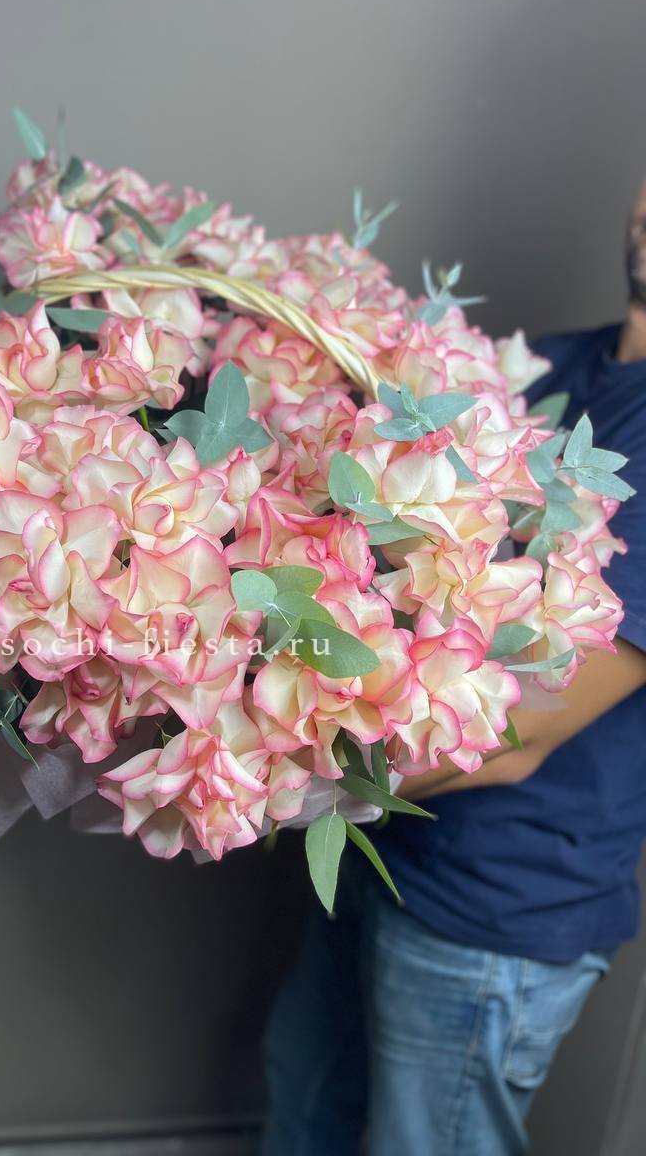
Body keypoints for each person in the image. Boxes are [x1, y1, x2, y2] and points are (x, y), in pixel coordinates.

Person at [262, 179, 646, 1156]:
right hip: (386, 851)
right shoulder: (541, 365)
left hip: (494, 908)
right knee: (302, 1104)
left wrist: (246, 773)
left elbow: (519, 732)